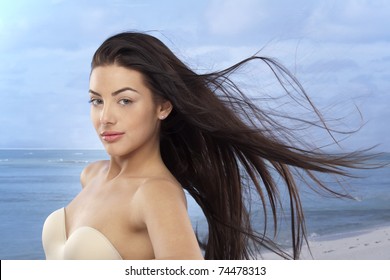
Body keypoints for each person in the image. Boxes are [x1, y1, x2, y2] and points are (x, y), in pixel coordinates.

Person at [42, 31, 376, 260]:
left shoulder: (154, 194)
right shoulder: (91, 175)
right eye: (96, 101)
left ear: (163, 107)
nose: (106, 118)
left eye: (125, 101)